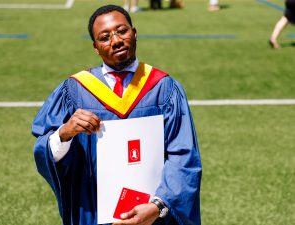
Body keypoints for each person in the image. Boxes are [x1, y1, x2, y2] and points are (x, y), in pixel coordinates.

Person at [32, 4, 202, 225]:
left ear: (134, 33)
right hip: (95, 213)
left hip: (154, 216)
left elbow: (183, 156)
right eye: (104, 37)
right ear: (95, 47)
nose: (116, 40)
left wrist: (157, 207)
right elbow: (44, 148)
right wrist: (64, 134)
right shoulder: (75, 92)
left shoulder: (164, 89)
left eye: (122, 31)